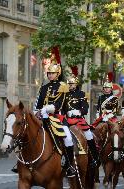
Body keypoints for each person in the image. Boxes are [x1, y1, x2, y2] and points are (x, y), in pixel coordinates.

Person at [33, 49, 77, 177]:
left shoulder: (63, 86)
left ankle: (70, 165)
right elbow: (39, 102)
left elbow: (59, 104)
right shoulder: (44, 87)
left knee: (68, 139)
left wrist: (47, 109)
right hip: (42, 116)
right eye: (49, 73)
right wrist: (37, 110)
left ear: (57, 74)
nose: (50, 75)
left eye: (52, 73)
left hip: (57, 117)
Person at [62, 66, 100, 167]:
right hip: (67, 119)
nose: (70, 85)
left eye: (72, 83)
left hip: (78, 120)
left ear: (76, 84)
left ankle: (95, 158)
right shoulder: (64, 95)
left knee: (89, 135)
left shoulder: (81, 94)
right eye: (69, 83)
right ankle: (64, 159)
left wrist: (77, 112)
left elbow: (85, 109)